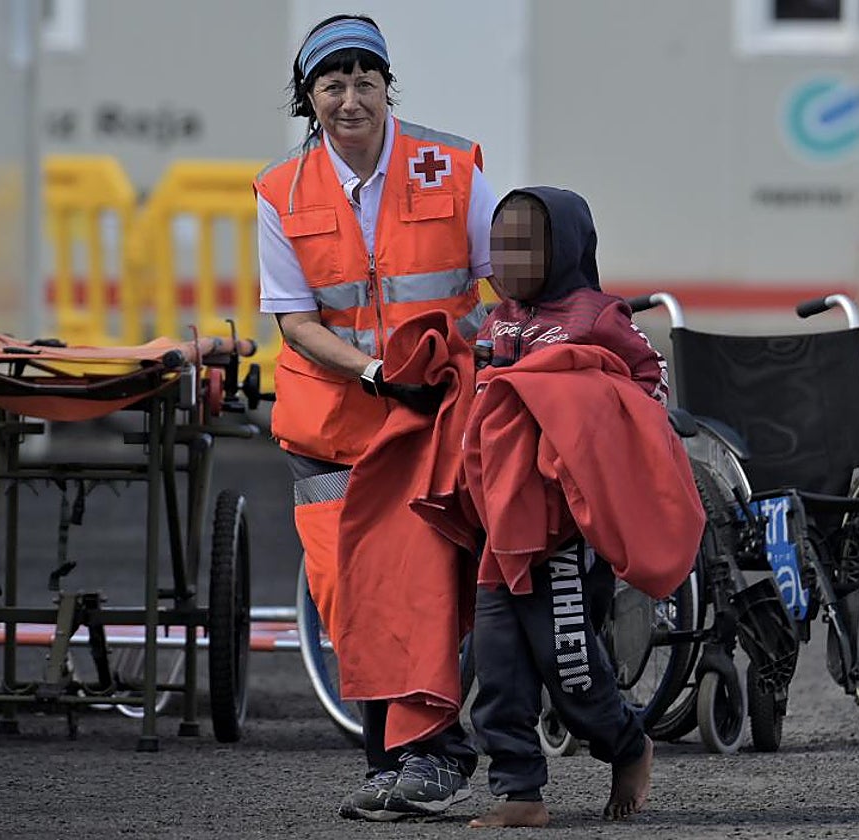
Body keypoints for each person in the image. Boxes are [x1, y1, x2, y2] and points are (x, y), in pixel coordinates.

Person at [254, 14, 492, 822]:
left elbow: (507, 277)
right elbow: (294, 320)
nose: (350, 99)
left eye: (365, 81)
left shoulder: (452, 163)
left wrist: (464, 363)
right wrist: (378, 373)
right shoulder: (280, 189)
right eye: (332, 83)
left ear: (388, 87)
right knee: (348, 593)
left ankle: (433, 754)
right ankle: (392, 760)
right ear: (308, 96)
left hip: (432, 416)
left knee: (418, 583)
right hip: (332, 423)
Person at [466, 187, 682, 828]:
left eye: (524, 245)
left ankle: (627, 743)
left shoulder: (597, 315)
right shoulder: (498, 317)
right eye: (499, 246)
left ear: (565, 248)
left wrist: (597, 423)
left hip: (562, 526)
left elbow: (650, 384)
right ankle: (520, 790)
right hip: (503, 521)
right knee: (497, 661)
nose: (507, 259)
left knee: (570, 665)